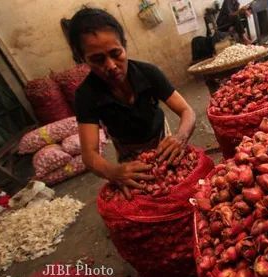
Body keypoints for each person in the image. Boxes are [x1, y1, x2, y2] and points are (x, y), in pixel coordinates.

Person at [69, 8, 196, 198]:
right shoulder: (86, 95)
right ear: (81, 58)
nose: (111, 65)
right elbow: (89, 155)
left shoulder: (149, 73)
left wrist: (181, 135)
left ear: (125, 46)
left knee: (176, 188)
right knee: (145, 194)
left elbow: (186, 110)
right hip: (127, 149)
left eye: (115, 53)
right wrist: (112, 173)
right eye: (97, 59)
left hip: (161, 138)